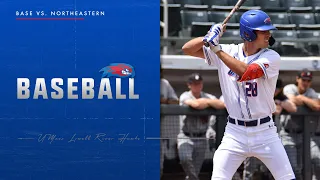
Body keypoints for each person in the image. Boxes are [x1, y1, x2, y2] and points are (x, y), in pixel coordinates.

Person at [181, 9, 295, 180]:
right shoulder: (229, 50)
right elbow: (187, 49)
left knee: (287, 177)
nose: (268, 34)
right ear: (249, 34)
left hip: (265, 132)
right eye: (263, 31)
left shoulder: (272, 56)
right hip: (234, 133)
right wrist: (207, 37)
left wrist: (217, 49)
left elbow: (247, 72)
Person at [242, 79, 297, 180]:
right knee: (250, 166)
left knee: (273, 168)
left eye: (278, 89)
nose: (275, 91)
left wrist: (279, 102)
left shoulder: (280, 97)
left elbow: (293, 108)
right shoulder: (259, 93)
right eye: (274, 88)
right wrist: (274, 105)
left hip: (270, 138)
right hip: (253, 134)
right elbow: (276, 110)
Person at [177, 73, 225, 180]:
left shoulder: (208, 96)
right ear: (189, 85)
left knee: (196, 169)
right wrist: (208, 104)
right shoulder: (185, 95)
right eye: (194, 84)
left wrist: (206, 101)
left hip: (202, 137)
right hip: (186, 136)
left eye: (199, 84)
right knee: (185, 159)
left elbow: (222, 104)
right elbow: (196, 105)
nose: (197, 86)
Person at [280, 69, 320, 180]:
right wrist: (308, 102)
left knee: (303, 167)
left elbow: (317, 106)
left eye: (308, 80)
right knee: (292, 168)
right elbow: (290, 100)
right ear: (297, 79)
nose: (305, 83)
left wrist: (301, 98)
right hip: (288, 134)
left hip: (303, 135)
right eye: (303, 80)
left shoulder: (310, 91)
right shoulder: (290, 88)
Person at [160, 65, 179, 177]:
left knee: (159, 163)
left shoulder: (164, 83)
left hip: (158, 130)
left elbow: (176, 102)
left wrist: (164, 101)